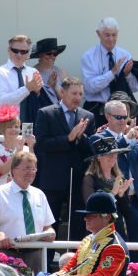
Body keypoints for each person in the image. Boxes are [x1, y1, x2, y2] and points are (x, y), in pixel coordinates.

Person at [33, 76, 94, 240]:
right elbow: (41, 144)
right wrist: (68, 138)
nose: (77, 98)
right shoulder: (46, 113)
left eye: (80, 94)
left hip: (77, 177)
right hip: (53, 178)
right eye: (74, 93)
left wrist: (81, 138)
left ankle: (76, 259)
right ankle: (47, 261)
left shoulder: (87, 116)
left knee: (78, 222)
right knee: (50, 222)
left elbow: (91, 151)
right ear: (62, 92)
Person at [0, 150, 56, 272]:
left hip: (35, 254)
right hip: (7, 255)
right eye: (26, 168)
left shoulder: (39, 194)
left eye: (33, 169)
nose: (31, 172)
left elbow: (48, 226)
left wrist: (50, 233)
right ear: (13, 170)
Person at [100, 98, 138, 252]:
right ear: (108, 117)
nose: (122, 121)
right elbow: (108, 152)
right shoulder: (100, 137)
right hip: (115, 199)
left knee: (135, 244)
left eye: (124, 117)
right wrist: (127, 138)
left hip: (134, 200)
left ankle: (134, 274)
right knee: (116, 245)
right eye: (118, 117)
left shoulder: (131, 140)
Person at [80, 17, 138, 127]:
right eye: (107, 35)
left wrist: (127, 75)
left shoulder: (125, 55)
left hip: (121, 112)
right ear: (98, 34)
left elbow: (135, 88)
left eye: (114, 35)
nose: (111, 39)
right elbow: (90, 87)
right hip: (97, 109)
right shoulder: (88, 56)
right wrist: (112, 73)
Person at [81, 133, 132, 240]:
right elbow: (91, 206)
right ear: (99, 158)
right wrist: (113, 193)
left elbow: (127, 212)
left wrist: (122, 195)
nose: (113, 158)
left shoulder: (119, 178)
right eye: (109, 155)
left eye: (115, 155)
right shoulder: (90, 178)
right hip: (98, 230)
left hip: (118, 229)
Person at [0, 35, 43, 124]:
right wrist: (27, 89)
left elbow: (43, 103)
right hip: (10, 127)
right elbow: (2, 104)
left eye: (23, 52)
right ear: (9, 49)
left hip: (32, 124)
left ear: (28, 53)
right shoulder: (0, 73)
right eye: (15, 50)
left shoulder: (33, 72)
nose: (19, 54)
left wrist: (37, 92)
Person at [0, 104, 34, 190]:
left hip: (21, 189)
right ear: (2, 129)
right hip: (1, 190)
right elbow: (2, 169)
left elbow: (32, 170)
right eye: (10, 127)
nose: (14, 129)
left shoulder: (26, 149)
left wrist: (31, 146)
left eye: (17, 127)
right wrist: (17, 152)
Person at [29, 38, 68, 109]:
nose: (52, 56)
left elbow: (67, 99)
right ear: (40, 55)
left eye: (55, 54)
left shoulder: (61, 71)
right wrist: (48, 87)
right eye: (48, 53)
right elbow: (33, 100)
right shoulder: (32, 73)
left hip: (59, 113)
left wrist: (55, 87)